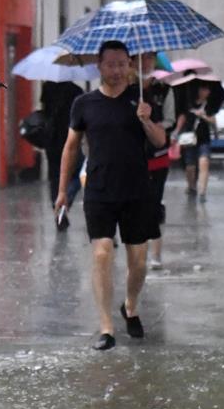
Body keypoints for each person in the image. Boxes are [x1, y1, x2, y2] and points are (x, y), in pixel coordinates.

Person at [55, 41, 166, 351]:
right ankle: (106, 327)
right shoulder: (84, 103)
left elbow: (160, 141)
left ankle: (130, 306)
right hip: (100, 191)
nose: (116, 70)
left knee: (138, 262)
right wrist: (63, 191)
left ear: (129, 65)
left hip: (137, 191)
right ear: (100, 67)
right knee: (102, 253)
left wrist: (146, 119)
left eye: (122, 64)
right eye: (110, 64)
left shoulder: (140, 100)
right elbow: (71, 147)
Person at [134, 52, 176, 270]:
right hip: (132, 158)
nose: (145, 62)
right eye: (140, 58)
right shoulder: (127, 90)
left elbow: (170, 119)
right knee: (135, 206)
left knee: (153, 203)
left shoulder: (164, 90)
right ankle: (137, 250)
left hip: (157, 157)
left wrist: (153, 126)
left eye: (149, 58)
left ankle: (155, 253)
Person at [41, 80, 84, 227]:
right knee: (79, 173)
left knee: (55, 176)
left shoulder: (47, 87)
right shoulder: (76, 90)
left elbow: (45, 110)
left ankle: (58, 205)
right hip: (70, 139)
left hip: (52, 140)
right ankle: (64, 203)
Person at [175, 79, 217, 204]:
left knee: (204, 163)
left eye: (207, 90)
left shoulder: (209, 105)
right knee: (190, 167)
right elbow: (182, 117)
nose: (205, 92)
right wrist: (177, 132)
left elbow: (214, 121)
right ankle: (191, 186)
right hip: (189, 139)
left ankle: (203, 192)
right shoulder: (188, 103)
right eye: (203, 89)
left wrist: (203, 115)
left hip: (204, 139)